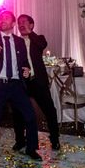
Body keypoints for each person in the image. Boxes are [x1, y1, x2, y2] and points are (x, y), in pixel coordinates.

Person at [0, 10, 41, 161]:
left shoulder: (19, 41)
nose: (3, 20)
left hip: (16, 84)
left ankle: (31, 148)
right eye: (1, 18)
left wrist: (26, 69)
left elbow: (24, 62)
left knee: (31, 116)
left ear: (13, 23)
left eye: (7, 18)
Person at [13, 14, 60, 151]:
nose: (21, 24)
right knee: (18, 112)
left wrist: (30, 33)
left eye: (24, 22)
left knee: (50, 110)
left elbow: (42, 45)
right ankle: (20, 140)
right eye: (19, 22)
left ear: (32, 25)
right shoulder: (16, 41)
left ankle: (55, 139)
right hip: (22, 82)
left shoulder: (38, 39)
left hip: (38, 81)